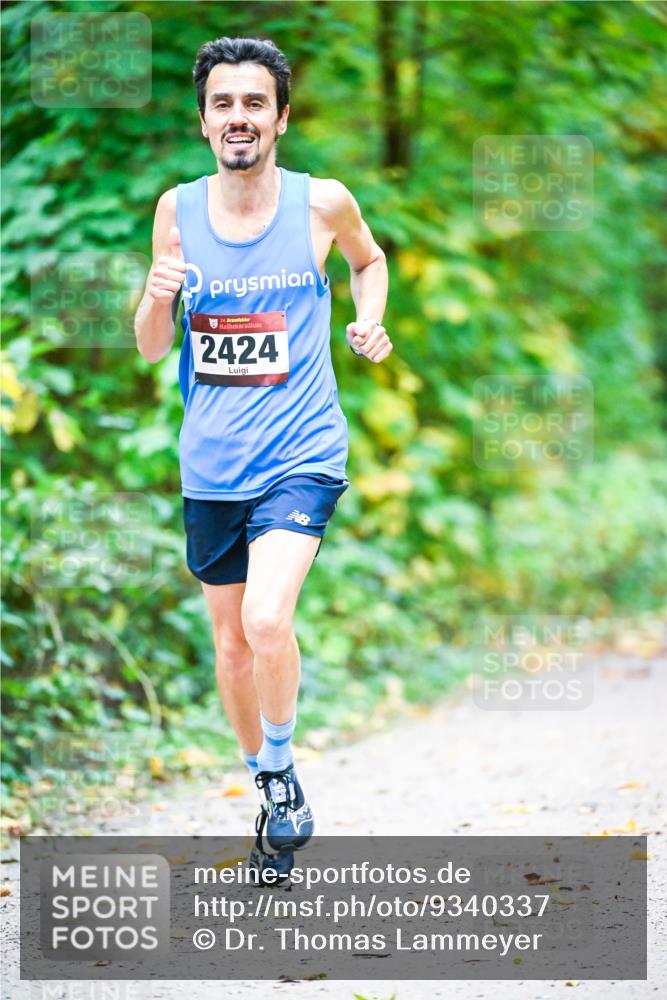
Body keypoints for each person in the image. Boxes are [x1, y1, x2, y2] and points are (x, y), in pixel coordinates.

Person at [134, 36, 391, 869]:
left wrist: (368, 318)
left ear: (281, 117)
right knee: (233, 648)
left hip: (301, 450)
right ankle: (270, 783)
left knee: (267, 618)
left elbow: (370, 260)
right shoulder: (176, 210)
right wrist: (154, 297)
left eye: (253, 103)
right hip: (210, 463)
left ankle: (278, 769)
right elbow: (148, 347)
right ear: (203, 118)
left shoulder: (321, 204)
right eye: (222, 103)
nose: (237, 117)